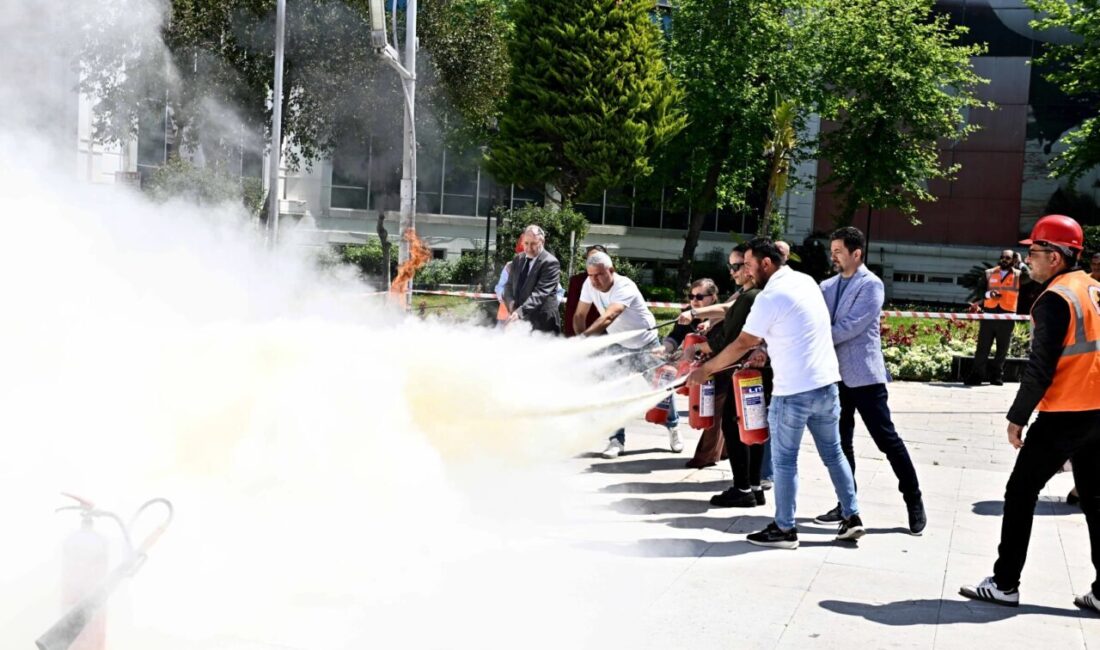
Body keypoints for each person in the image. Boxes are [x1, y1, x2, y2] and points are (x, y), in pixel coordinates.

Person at [960, 214, 1100, 615]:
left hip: (1065, 414)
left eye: (1034, 251)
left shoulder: (1056, 298)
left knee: (1020, 493)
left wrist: (1017, 416)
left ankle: (1004, 583)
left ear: (1055, 256)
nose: (1028, 260)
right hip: (1098, 412)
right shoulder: (1093, 289)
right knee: (1095, 499)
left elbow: (1040, 366)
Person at [688, 237, 864, 549]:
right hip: (826, 385)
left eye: (749, 264)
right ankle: (852, 517)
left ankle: (784, 529)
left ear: (766, 263)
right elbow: (797, 328)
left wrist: (707, 369)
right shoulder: (806, 281)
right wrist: (766, 351)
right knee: (834, 453)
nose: (746, 271)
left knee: (784, 462)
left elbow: (741, 342)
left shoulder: (768, 297)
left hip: (794, 391)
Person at [815, 227, 927, 535]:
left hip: (865, 376)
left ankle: (913, 499)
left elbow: (851, 326)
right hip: (834, 377)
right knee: (840, 444)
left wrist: (817, 339)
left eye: (838, 250)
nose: (833, 255)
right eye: (832, 250)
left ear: (856, 253)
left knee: (886, 440)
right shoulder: (826, 286)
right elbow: (815, 318)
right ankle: (846, 504)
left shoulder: (871, 285)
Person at [575, 252, 682, 458]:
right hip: (618, 344)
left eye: (598, 275)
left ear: (611, 271)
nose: (594, 280)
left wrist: (585, 337)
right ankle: (616, 440)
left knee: (661, 389)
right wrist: (583, 340)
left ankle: (674, 427)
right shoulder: (589, 284)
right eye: (590, 275)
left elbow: (609, 315)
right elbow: (580, 314)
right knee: (614, 392)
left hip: (647, 344)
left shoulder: (625, 287)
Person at [700, 243, 770, 507]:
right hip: (755, 370)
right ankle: (754, 486)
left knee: (735, 424)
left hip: (746, 370)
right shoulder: (752, 294)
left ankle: (743, 489)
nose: (732, 272)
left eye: (737, 266)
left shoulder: (751, 296)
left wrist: (702, 350)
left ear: (751, 267)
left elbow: (730, 336)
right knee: (753, 425)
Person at [664, 279, 725, 468]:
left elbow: (722, 342)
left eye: (699, 297)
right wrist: (665, 348)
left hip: (721, 367)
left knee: (716, 412)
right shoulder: (687, 315)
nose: (694, 301)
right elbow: (676, 335)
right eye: (691, 296)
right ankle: (722, 451)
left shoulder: (722, 315)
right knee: (712, 413)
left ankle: (706, 456)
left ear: (713, 298)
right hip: (700, 371)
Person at [965, 249, 1027, 386]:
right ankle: (976, 376)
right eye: (1002, 257)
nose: (1004, 259)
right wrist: (989, 295)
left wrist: (1021, 262)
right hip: (989, 314)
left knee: (1002, 349)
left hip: (1007, 315)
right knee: (982, 348)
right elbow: (980, 291)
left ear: (1013, 260)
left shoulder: (1018, 274)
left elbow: (1030, 276)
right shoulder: (989, 273)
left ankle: (996, 376)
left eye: (1008, 258)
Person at [502, 225, 561, 334]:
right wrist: (510, 303)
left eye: (533, 243)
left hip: (543, 323)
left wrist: (519, 312)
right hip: (520, 321)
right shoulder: (518, 259)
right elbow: (509, 285)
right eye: (526, 243)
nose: (528, 248)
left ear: (542, 242)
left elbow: (540, 293)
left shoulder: (550, 263)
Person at [564, 245, 608, 337]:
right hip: (580, 331)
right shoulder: (577, 281)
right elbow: (571, 310)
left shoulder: (613, 280)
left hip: (604, 332)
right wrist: (571, 336)